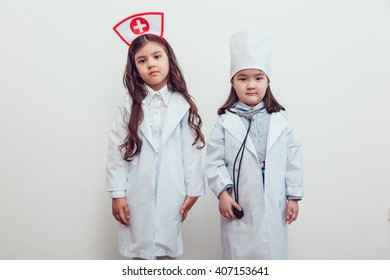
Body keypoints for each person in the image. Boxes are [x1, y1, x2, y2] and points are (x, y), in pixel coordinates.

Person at [107, 12, 205, 260]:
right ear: (135, 68)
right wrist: (118, 193)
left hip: (173, 188)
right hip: (135, 189)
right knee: (137, 253)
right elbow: (116, 149)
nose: (150, 64)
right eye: (142, 60)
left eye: (156, 56)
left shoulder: (183, 103)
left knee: (166, 251)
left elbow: (192, 150)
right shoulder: (128, 104)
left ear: (169, 60)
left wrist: (193, 190)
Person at [204, 29, 304, 259]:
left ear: (268, 81)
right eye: (243, 78)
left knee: (272, 257)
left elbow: (293, 159)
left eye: (258, 78)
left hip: (275, 204)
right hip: (239, 205)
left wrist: (293, 197)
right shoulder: (225, 122)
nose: (251, 85)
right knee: (240, 260)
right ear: (232, 82)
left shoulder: (281, 120)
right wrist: (222, 193)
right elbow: (214, 162)